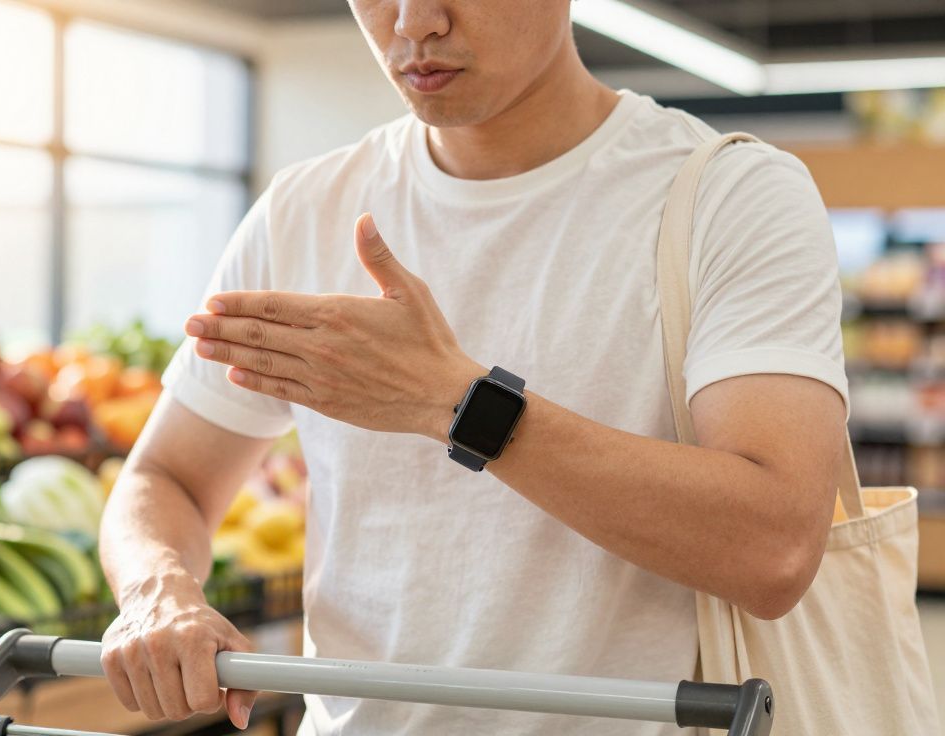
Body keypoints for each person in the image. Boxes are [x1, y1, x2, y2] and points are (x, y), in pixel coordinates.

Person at [97, 1, 848, 734]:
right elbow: (166, 478)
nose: (413, 21)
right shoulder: (303, 209)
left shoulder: (730, 195)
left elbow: (775, 548)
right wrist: (157, 588)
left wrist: (453, 402)